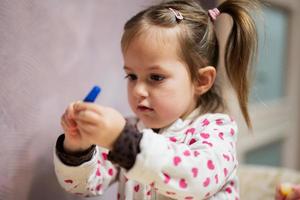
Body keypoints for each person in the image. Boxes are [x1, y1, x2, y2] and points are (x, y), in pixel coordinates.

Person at [53, 0, 260, 199]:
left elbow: (196, 181)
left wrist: (123, 142)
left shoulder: (217, 130)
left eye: (156, 77)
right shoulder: (132, 130)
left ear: (201, 80)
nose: (138, 90)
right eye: (132, 76)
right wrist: (78, 149)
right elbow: (85, 186)